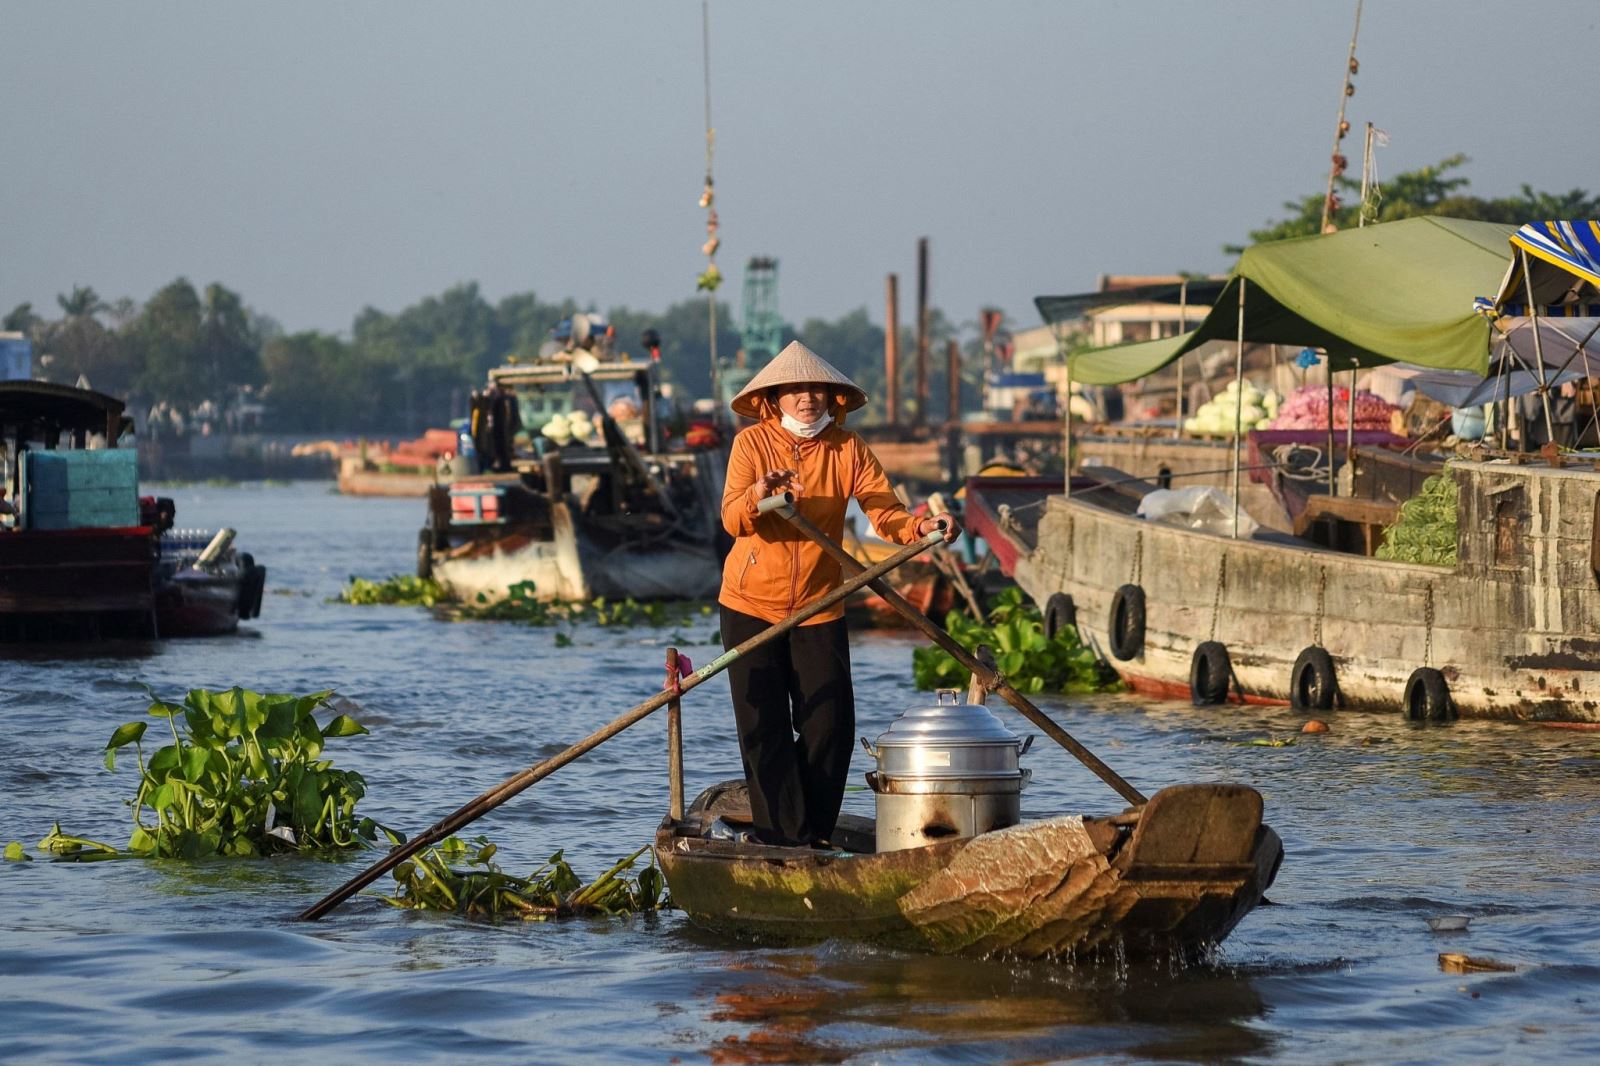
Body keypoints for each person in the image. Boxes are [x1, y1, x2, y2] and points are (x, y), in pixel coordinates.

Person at [719, 340, 960, 847]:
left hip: (819, 605)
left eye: (818, 389)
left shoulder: (848, 449)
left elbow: (885, 513)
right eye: (797, 389)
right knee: (762, 726)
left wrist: (923, 527)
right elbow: (732, 518)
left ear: (833, 397)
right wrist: (762, 492)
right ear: (774, 397)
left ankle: (811, 835)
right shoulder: (750, 445)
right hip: (749, 605)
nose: (808, 398)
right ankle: (780, 837)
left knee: (831, 726)